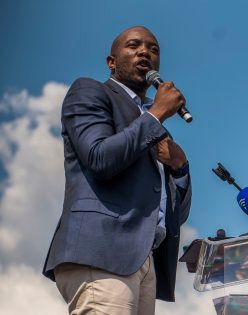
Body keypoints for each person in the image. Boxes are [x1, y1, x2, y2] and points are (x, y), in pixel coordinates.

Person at [42, 26, 192, 314]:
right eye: (133, 45)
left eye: (153, 48)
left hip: (145, 260)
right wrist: (157, 114)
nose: (145, 51)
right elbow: (99, 158)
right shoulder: (90, 91)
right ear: (111, 62)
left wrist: (180, 167)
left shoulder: (149, 123)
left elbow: (176, 215)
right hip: (103, 252)